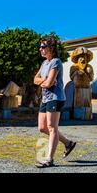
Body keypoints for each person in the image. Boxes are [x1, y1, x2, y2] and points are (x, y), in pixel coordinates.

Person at [34, 38, 76, 168]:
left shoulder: (56, 62)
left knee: (52, 127)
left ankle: (49, 159)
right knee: (42, 127)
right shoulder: (44, 63)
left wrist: (45, 81)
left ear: (51, 48)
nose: (40, 49)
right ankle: (68, 143)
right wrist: (44, 81)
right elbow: (35, 79)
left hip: (56, 98)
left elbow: (49, 83)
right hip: (46, 98)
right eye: (40, 47)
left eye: (43, 46)